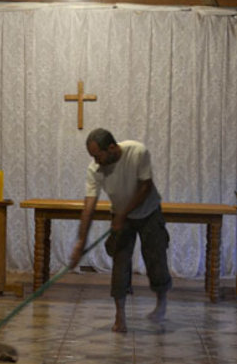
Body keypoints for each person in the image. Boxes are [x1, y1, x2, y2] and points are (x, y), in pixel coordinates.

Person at [69, 128, 172, 332]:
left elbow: (145, 187)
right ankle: (120, 316)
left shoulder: (138, 152)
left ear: (112, 148)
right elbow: (89, 206)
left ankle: (161, 302)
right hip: (121, 215)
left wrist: (122, 215)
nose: (95, 161)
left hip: (149, 212)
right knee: (120, 262)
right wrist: (80, 242)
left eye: (98, 156)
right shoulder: (95, 169)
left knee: (155, 258)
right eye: (92, 157)